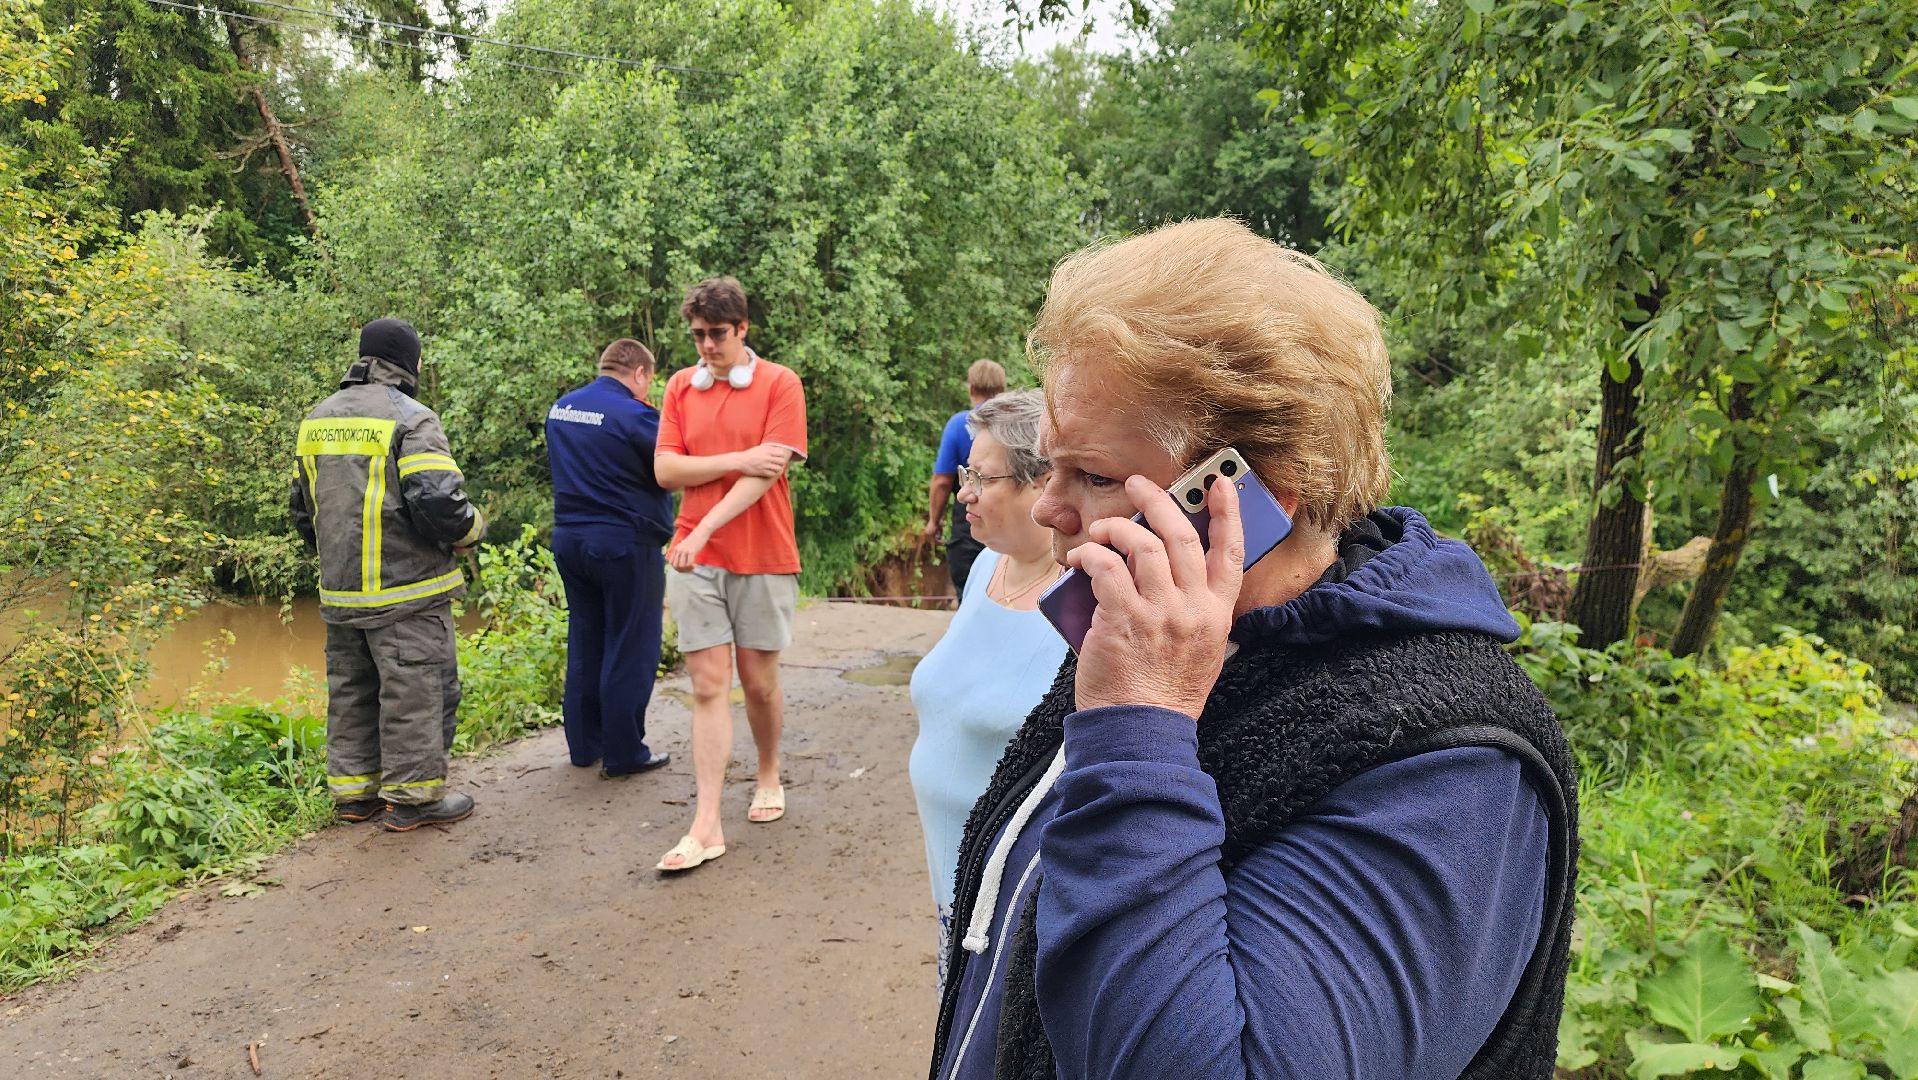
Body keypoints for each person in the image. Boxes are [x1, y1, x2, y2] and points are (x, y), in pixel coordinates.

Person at [928, 220, 1578, 1080]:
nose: (1049, 507)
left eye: (1092, 475)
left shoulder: (1452, 767)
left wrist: (1139, 725)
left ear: (1246, 494)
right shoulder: (1163, 627)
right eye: (1051, 466)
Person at [291, 318, 487, 832]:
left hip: (341, 592)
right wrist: (471, 530)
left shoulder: (317, 419)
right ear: (409, 361)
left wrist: (338, 560)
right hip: (407, 592)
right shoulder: (410, 418)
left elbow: (302, 512)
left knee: (352, 693)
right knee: (416, 692)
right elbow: (440, 502)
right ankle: (413, 801)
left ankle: (356, 797)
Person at [908, 390, 1069, 978]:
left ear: (1042, 484)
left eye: (983, 477)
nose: (964, 493)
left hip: (1015, 916)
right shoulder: (985, 566)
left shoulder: (1083, 600)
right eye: (965, 473)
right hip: (952, 894)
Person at [652, 277, 808, 873]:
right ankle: (707, 822)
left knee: (759, 682)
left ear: (742, 329)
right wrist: (738, 458)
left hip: (762, 553)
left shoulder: (780, 383)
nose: (707, 346)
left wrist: (703, 524)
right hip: (694, 559)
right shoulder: (679, 387)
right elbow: (666, 470)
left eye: (717, 333)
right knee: (708, 685)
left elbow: (767, 474)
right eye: (698, 335)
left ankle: (767, 771)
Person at [545, 339, 675, 780]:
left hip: (570, 540)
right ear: (639, 373)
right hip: (624, 544)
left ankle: (585, 747)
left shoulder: (562, 408)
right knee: (630, 646)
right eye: (648, 381)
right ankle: (624, 753)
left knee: (586, 640)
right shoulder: (634, 415)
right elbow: (670, 465)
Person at [923, 360, 1007, 597]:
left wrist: (934, 522)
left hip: (970, 518)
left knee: (969, 591)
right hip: (1009, 517)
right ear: (1002, 388)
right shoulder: (1014, 423)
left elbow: (942, 482)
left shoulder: (961, 424)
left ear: (971, 388)